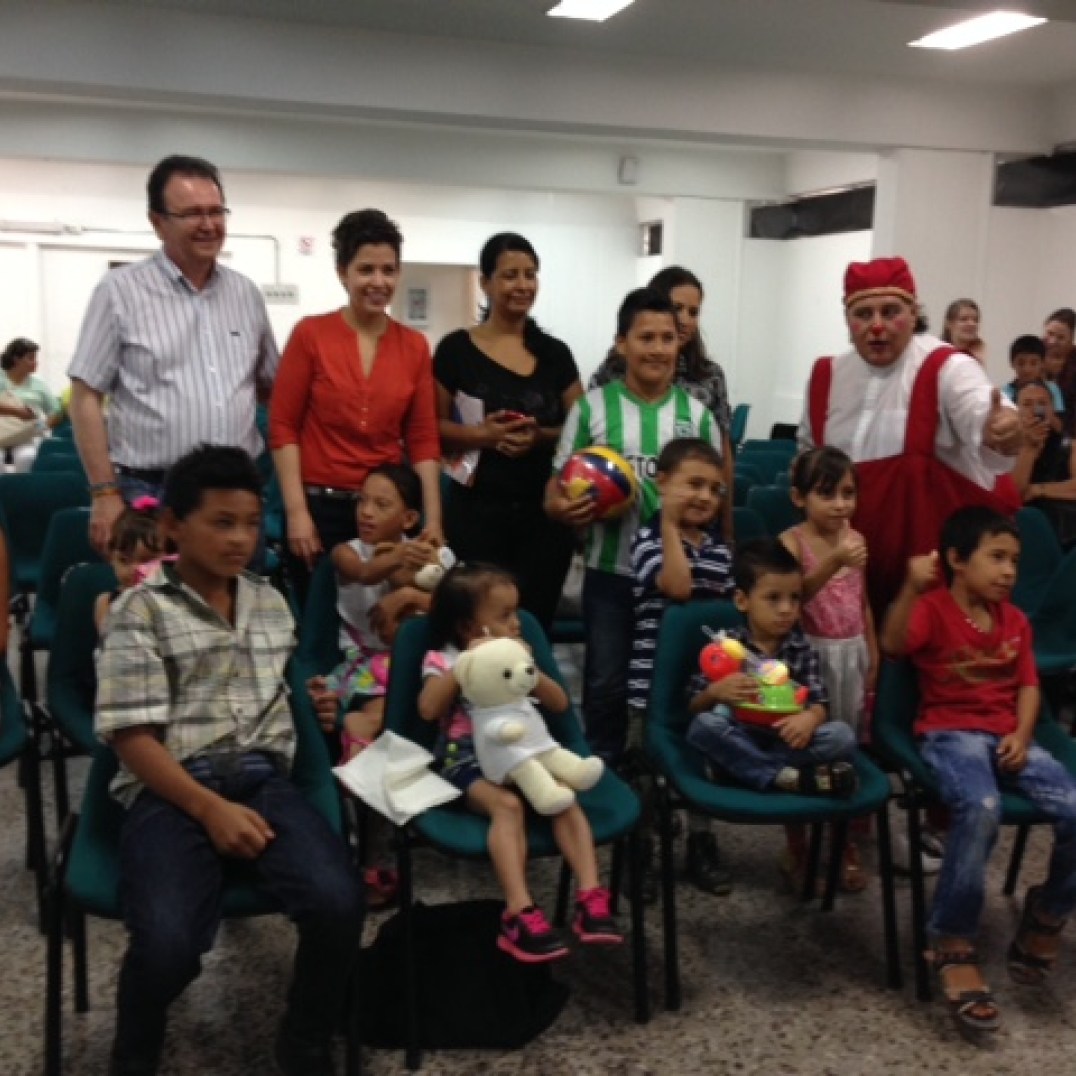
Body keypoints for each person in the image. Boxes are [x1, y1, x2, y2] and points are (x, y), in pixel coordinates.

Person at [94, 445, 362, 1076]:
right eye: (221, 523)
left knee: (339, 903)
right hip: (171, 788)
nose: (241, 538)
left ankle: (304, 1040)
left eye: (249, 523)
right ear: (172, 527)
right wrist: (210, 809)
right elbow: (132, 738)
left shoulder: (269, 601)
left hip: (263, 779)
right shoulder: (141, 609)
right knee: (168, 945)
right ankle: (133, 1054)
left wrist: (314, 705)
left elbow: (277, 692)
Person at [881, 506, 1076, 1038]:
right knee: (981, 806)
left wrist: (1022, 734)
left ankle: (1048, 911)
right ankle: (951, 935)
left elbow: (1029, 686)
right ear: (956, 560)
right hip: (952, 734)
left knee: (1074, 807)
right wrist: (910, 587)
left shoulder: (1014, 620)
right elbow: (894, 645)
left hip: (1007, 735)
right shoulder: (933, 608)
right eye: (997, 558)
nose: (1009, 571)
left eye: (1014, 560)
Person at [68, 155, 279, 556]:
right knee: (156, 596)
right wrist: (104, 492)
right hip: (151, 491)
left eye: (216, 211)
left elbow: (270, 386)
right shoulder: (119, 291)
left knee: (238, 595)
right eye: (193, 213)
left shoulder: (246, 294)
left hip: (236, 493)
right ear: (158, 222)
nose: (208, 224)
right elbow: (85, 397)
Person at [545, 287, 722, 765]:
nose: (658, 349)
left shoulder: (698, 418)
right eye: (646, 337)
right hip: (611, 572)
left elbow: (714, 497)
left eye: (668, 338)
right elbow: (553, 492)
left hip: (676, 580)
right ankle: (605, 767)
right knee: (606, 680)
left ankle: (669, 771)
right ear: (621, 343)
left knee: (674, 679)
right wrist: (566, 509)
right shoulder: (591, 409)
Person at [418, 563, 621, 962]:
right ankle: (519, 911)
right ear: (468, 627)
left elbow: (559, 705)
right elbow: (428, 709)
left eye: (516, 612)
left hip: (526, 753)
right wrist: (465, 665)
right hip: (468, 762)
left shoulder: (519, 655)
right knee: (507, 806)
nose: (517, 623)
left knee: (562, 799)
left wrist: (531, 670)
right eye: (505, 615)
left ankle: (590, 897)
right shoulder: (442, 659)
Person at [799, 256, 1021, 619]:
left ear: (914, 313)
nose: (877, 326)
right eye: (863, 314)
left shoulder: (948, 366)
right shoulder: (826, 375)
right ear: (847, 319)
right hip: (848, 577)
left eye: (890, 311)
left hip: (933, 582)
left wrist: (1002, 427)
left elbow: (982, 406)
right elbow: (808, 460)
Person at [270, 209, 441, 602]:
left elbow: (423, 439)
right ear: (342, 273)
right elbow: (283, 427)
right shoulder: (311, 334)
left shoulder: (414, 346)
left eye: (389, 270)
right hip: (319, 508)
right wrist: (297, 513)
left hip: (385, 513)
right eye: (366, 270)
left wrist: (432, 521)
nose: (378, 282)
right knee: (319, 619)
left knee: (382, 617)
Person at [434, 233, 583, 632]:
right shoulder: (455, 350)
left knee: (533, 626)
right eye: (510, 275)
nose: (522, 285)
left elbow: (581, 427)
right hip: (477, 515)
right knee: (479, 626)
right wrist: (483, 436)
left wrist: (540, 437)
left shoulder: (555, 354)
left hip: (543, 517)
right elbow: (431, 428)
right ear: (485, 282)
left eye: (530, 275)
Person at [629, 437, 733, 895]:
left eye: (715, 489)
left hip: (704, 685)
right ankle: (641, 852)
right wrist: (669, 524)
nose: (705, 497)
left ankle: (701, 844)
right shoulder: (646, 541)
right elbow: (677, 585)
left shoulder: (719, 550)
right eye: (694, 484)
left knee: (699, 760)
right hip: (650, 681)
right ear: (662, 482)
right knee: (643, 770)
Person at [685, 539, 858, 802]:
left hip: (787, 738)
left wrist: (810, 719)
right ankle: (788, 778)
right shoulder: (727, 647)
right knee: (703, 726)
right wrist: (715, 692)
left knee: (841, 736)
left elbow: (820, 703)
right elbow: (693, 705)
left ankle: (739, 769)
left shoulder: (800, 649)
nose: (786, 609)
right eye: (773, 598)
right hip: (738, 733)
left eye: (794, 598)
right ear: (742, 600)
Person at [779, 446, 877, 892]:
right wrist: (834, 561)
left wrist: (872, 649)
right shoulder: (791, 542)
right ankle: (798, 843)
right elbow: (792, 598)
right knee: (805, 750)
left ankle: (843, 841)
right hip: (808, 657)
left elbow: (862, 598)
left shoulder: (855, 537)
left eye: (848, 493)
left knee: (845, 749)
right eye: (827, 494)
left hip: (850, 655)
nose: (840, 505)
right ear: (799, 497)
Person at [590, 266, 734, 539]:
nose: (685, 320)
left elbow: (723, 455)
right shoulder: (613, 371)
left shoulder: (709, 376)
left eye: (694, 312)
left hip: (690, 521)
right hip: (620, 518)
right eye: (677, 308)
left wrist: (727, 526)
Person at [325, 463, 437, 761]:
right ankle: (356, 762)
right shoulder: (346, 552)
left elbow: (455, 608)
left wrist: (409, 595)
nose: (366, 512)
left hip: (419, 661)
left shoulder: (428, 554)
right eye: (361, 501)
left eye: (381, 505)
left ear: (409, 518)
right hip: (367, 663)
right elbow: (364, 573)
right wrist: (397, 557)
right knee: (382, 712)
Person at [1012, 380, 1076, 546]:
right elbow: (1015, 494)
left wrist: (1038, 489)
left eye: (1042, 404)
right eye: (1027, 404)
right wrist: (1029, 449)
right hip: (1024, 529)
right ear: (1015, 410)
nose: (1035, 410)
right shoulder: (1007, 448)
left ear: (1052, 410)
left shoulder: (1069, 445)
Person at [93, 496, 166, 634]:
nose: (134, 569)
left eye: (147, 560)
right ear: (111, 558)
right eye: (124, 560)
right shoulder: (105, 603)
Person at [1001, 334, 1064, 427]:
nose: (1027, 369)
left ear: (1042, 363)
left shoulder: (1052, 389)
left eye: (1033, 363)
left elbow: (1060, 427)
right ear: (1012, 363)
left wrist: (1048, 414)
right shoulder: (1006, 392)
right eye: (1021, 363)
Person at [940, 299, 985, 363]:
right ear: (949, 323)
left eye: (975, 320)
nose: (971, 324)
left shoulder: (977, 355)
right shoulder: (940, 355)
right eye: (964, 319)